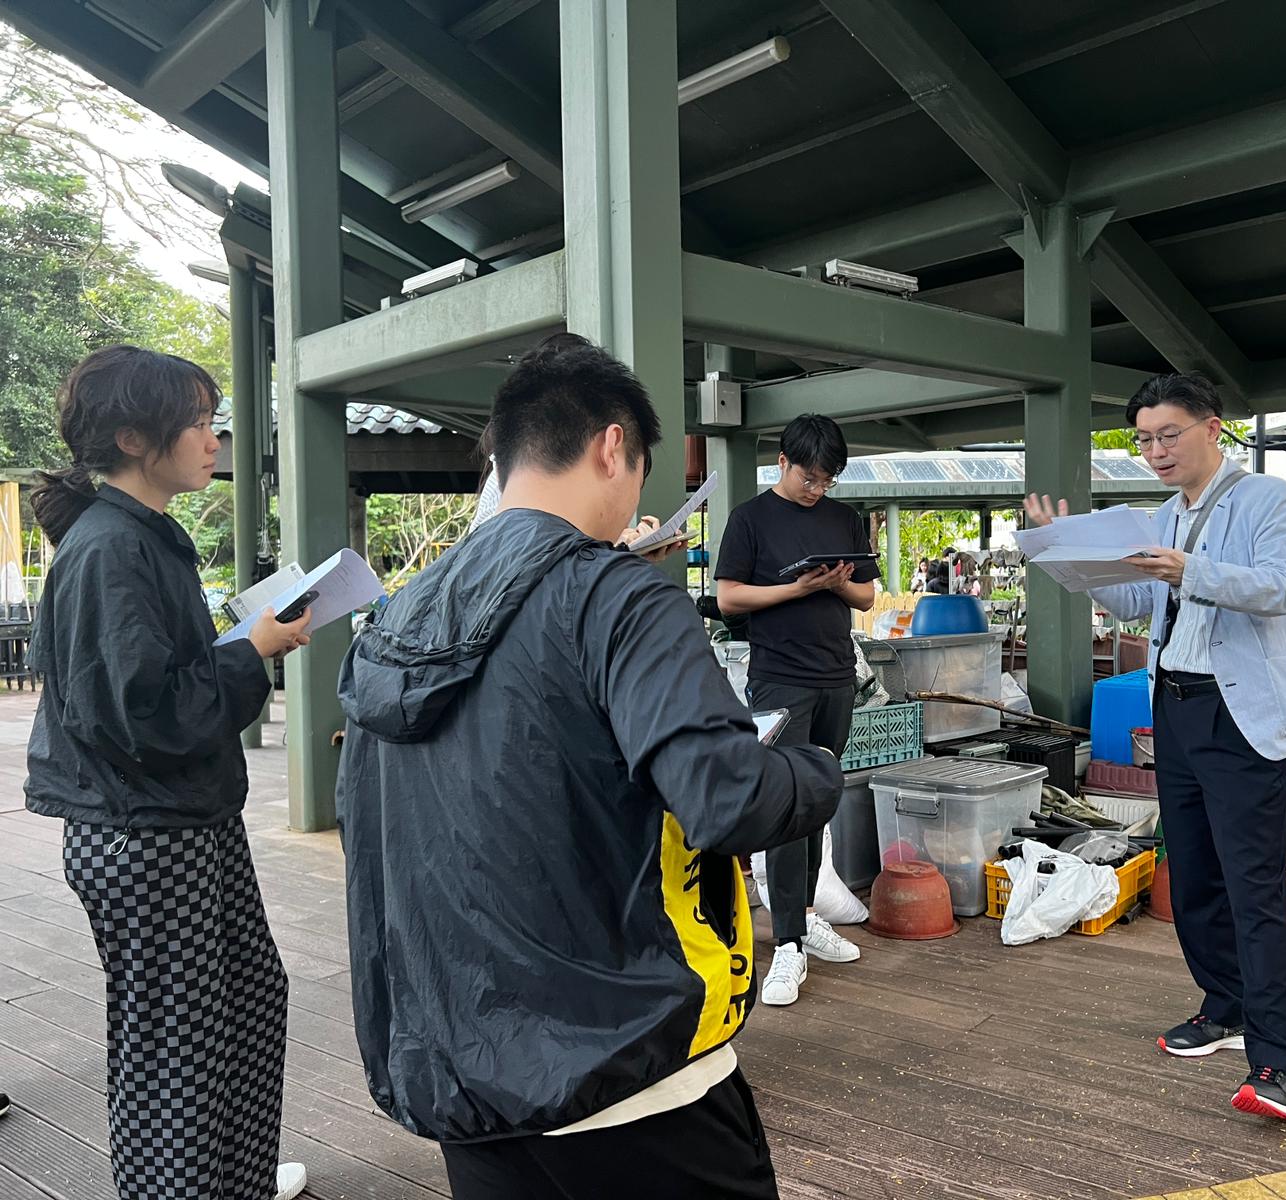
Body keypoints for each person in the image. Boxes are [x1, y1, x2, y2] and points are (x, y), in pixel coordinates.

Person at [335, 334, 843, 1199]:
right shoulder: (619, 597)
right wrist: (817, 770)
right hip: (629, 1070)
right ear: (613, 446)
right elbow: (725, 800)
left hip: (461, 1065)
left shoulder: (398, 611)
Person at [23, 346, 312, 1200]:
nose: (213, 436)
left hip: (174, 822)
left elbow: (141, 691)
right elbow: (140, 717)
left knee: (244, 1009)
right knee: (179, 1050)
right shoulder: (112, 548)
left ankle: (233, 1181)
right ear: (133, 438)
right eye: (196, 420)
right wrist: (249, 652)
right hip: (145, 832)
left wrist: (242, 642)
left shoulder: (135, 536)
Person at [1024, 372, 1286, 1123]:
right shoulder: (1163, 513)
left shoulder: (1267, 500)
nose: (1155, 450)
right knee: (1189, 871)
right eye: (1144, 439)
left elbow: (1281, 588)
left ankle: (1280, 1061)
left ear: (1212, 428)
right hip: (1176, 707)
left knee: (1254, 885)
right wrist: (1067, 558)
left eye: (1168, 435)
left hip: (1240, 712)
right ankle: (1223, 1007)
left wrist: (1190, 568)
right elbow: (1137, 600)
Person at [714, 414, 880, 1007]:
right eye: (809, 477)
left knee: (818, 800)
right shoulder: (750, 519)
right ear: (781, 462)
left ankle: (806, 916)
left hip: (837, 675)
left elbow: (865, 593)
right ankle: (785, 943)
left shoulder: (842, 518)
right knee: (787, 804)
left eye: (827, 481)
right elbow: (729, 595)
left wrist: (835, 584)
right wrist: (798, 589)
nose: (817, 489)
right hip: (779, 678)